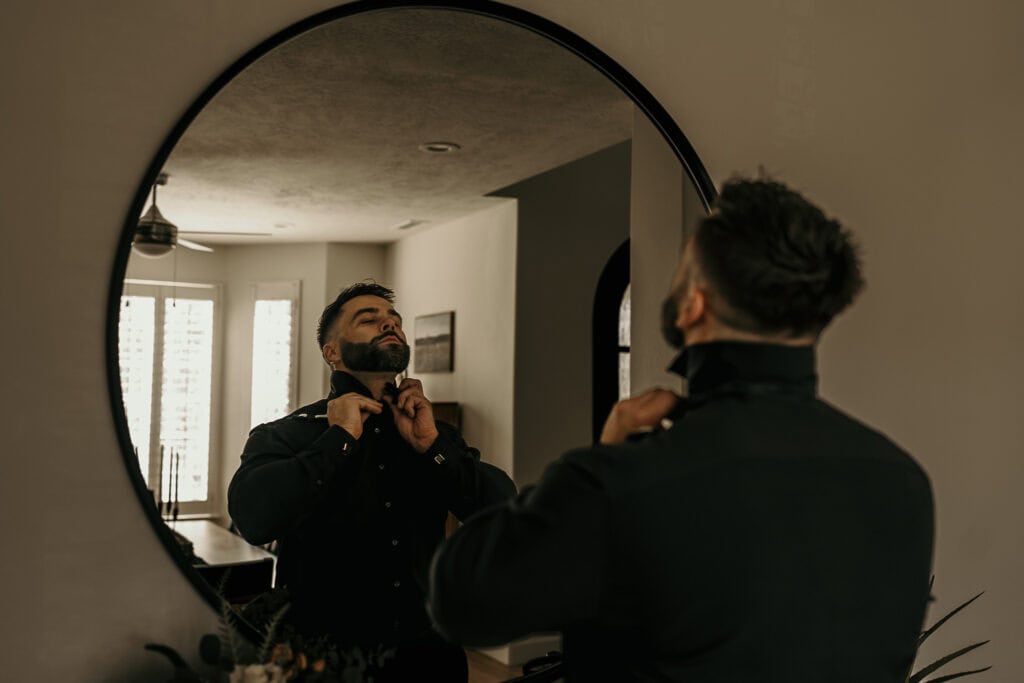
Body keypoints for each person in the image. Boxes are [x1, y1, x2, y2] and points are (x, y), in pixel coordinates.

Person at [428, 178, 935, 682]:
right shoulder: (901, 480)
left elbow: (461, 600)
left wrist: (602, 459)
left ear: (694, 305)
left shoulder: (623, 483)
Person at [229, 282, 516, 681]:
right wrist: (338, 440)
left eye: (394, 321)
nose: (389, 325)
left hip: (431, 657)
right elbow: (253, 518)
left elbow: (505, 512)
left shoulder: (433, 434)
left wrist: (432, 445)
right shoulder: (286, 435)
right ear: (331, 352)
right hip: (324, 661)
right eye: (369, 320)